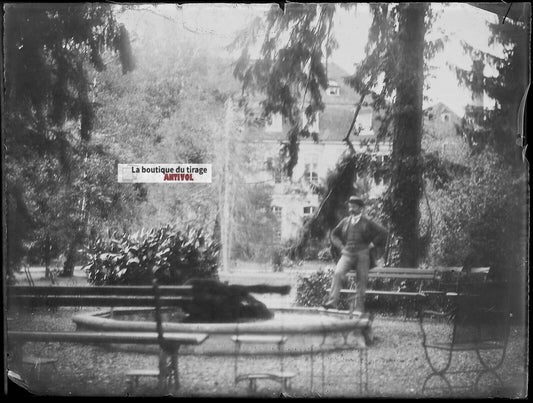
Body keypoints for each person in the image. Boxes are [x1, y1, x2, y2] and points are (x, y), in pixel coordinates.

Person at [323, 195, 388, 314]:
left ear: (360, 208)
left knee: (361, 280)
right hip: (347, 254)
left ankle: (359, 308)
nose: (351, 209)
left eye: (353, 206)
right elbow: (334, 234)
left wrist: (372, 244)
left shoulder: (367, 222)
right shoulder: (345, 221)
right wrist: (341, 247)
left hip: (363, 255)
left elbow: (383, 233)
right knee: (338, 273)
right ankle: (332, 302)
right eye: (350, 206)